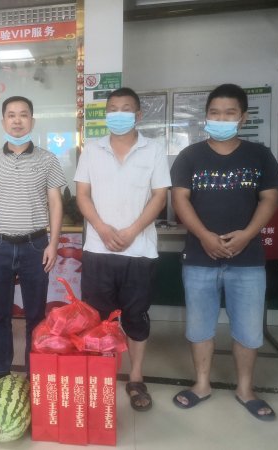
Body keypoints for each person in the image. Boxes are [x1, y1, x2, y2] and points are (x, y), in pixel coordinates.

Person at [170, 83, 278, 421]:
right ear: (206, 116)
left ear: (242, 117)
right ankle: (201, 384)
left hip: (247, 259)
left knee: (248, 329)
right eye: (215, 113)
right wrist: (205, 236)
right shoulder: (190, 156)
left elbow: (270, 199)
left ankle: (246, 389)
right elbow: (180, 199)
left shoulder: (259, 155)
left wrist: (247, 235)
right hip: (199, 257)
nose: (221, 119)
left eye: (229, 113)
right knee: (199, 326)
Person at [74, 87, 170, 412]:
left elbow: (160, 196)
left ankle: (136, 377)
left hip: (139, 251)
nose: (118, 114)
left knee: (136, 317)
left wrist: (132, 231)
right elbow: (82, 195)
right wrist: (102, 228)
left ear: (138, 115)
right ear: (106, 115)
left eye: (126, 108)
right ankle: (101, 373)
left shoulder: (153, 150)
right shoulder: (92, 149)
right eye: (112, 108)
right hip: (98, 250)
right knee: (97, 317)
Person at [0, 95, 66, 396]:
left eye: (23, 114)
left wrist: (53, 244)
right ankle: (0, 371)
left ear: (32, 121)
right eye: (11, 115)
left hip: (35, 247)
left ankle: (33, 373)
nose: (17, 120)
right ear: (3, 121)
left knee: (35, 316)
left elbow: (55, 203)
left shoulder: (48, 159)